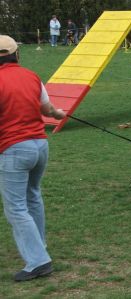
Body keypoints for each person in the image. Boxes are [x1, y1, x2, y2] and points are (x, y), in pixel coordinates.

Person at [0, 35, 66, 282]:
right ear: (16, 54)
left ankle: (38, 261)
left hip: (13, 149)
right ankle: (40, 247)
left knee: (16, 207)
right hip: (40, 146)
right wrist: (58, 114)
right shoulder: (31, 76)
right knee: (32, 196)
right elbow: (47, 109)